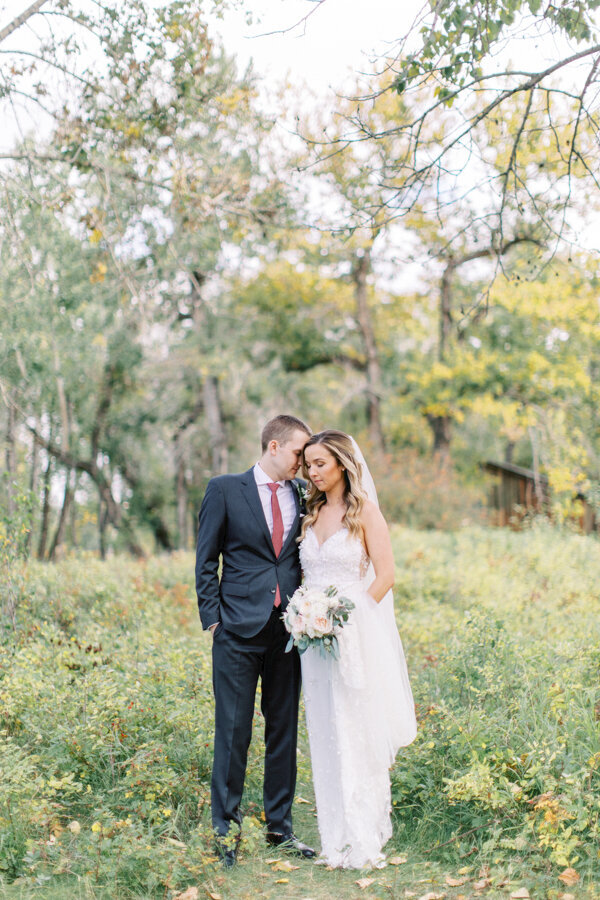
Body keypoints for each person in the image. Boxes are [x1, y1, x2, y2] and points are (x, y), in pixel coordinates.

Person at [195, 414, 315, 867]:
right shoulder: (224, 489)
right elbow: (206, 559)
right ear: (274, 446)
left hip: (291, 632)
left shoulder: (304, 494)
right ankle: (226, 836)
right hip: (236, 632)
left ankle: (279, 829)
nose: (304, 462)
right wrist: (213, 621)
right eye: (299, 452)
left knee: (283, 731)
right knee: (233, 733)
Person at [299, 430, 417, 868]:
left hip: (353, 635)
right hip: (313, 640)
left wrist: (345, 619)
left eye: (320, 464)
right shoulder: (310, 512)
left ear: (343, 464)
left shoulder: (365, 512)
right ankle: (335, 839)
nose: (313, 472)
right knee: (326, 730)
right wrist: (310, 617)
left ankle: (364, 838)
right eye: (308, 465)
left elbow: (385, 576)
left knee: (355, 730)